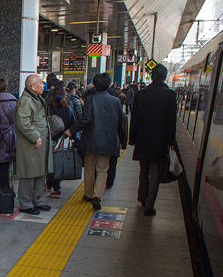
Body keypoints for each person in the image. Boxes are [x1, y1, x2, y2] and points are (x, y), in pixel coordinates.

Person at [67, 73, 127, 211]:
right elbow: (120, 122)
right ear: (109, 84)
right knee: (102, 170)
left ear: (94, 84)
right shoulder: (116, 101)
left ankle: (88, 194)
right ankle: (97, 196)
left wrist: (72, 130)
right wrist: (115, 136)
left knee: (88, 168)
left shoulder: (90, 99)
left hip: (91, 139)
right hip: (108, 140)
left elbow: (86, 119)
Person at [129, 64, 177, 216]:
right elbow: (171, 120)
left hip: (142, 139)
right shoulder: (170, 95)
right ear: (164, 77)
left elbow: (134, 119)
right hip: (160, 141)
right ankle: (149, 205)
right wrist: (171, 141)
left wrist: (132, 139)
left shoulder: (141, 94)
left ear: (151, 76)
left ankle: (142, 197)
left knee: (143, 171)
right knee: (155, 173)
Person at [15, 74, 53, 215]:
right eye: (41, 83)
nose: (43, 86)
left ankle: (38, 201)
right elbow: (23, 122)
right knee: (27, 174)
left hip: (39, 143)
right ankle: (25, 203)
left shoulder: (36, 98)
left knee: (39, 172)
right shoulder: (26, 101)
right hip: (30, 144)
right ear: (32, 86)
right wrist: (35, 136)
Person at [47, 86, 75, 198]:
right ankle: (55, 188)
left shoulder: (49, 108)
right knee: (57, 164)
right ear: (65, 96)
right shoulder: (68, 109)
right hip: (63, 140)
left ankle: (51, 185)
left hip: (50, 139)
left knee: (50, 163)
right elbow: (73, 124)